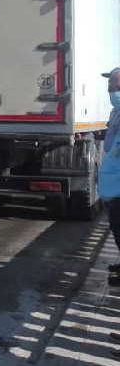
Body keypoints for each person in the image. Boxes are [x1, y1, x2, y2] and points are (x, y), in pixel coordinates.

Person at [100, 67, 120, 284]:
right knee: (116, 227)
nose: (109, 87)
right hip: (115, 184)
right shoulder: (116, 110)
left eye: (113, 83)